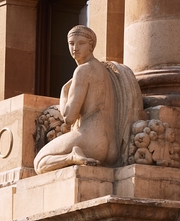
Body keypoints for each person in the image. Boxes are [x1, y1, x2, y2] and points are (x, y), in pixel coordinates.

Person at [33, 25, 119, 174]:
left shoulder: (83, 70)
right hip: (109, 146)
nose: (75, 48)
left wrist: (64, 92)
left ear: (91, 46)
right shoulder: (103, 70)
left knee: (39, 162)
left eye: (81, 43)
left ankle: (72, 157)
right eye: (71, 43)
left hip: (89, 141)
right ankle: (73, 156)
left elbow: (69, 117)